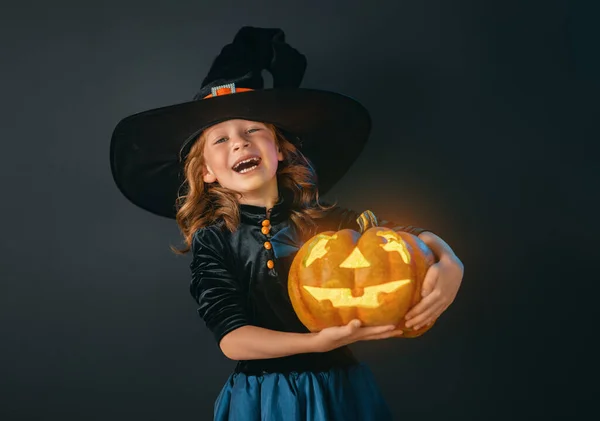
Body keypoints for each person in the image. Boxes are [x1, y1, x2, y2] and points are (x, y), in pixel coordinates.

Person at [110, 27, 464, 421]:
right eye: (221, 140)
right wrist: (317, 342)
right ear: (207, 171)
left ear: (278, 149)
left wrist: (449, 261)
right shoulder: (215, 240)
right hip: (267, 398)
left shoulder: (328, 223)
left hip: (341, 389)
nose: (240, 143)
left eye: (252, 130)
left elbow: (403, 239)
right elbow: (232, 340)